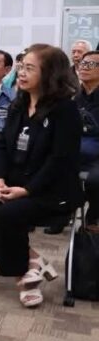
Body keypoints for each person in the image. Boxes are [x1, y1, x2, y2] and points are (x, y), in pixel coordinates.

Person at [0, 44, 82, 308]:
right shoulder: (19, 103)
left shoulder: (65, 110)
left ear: (49, 73)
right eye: (21, 67)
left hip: (51, 190)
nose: (21, 73)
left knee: (8, 214)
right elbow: (2, 145)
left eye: (29, 68)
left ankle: (25, 278)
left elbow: (60, 160)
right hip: (14, 182)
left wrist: (27, 190)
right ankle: (31, 262)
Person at [76, 51, 99, 234]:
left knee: (95, 180)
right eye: (83, 64)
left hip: (96, 155)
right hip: (74, 149)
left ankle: (93, 216)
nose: (84, 67)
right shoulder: (74, 97)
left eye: (90, 64)